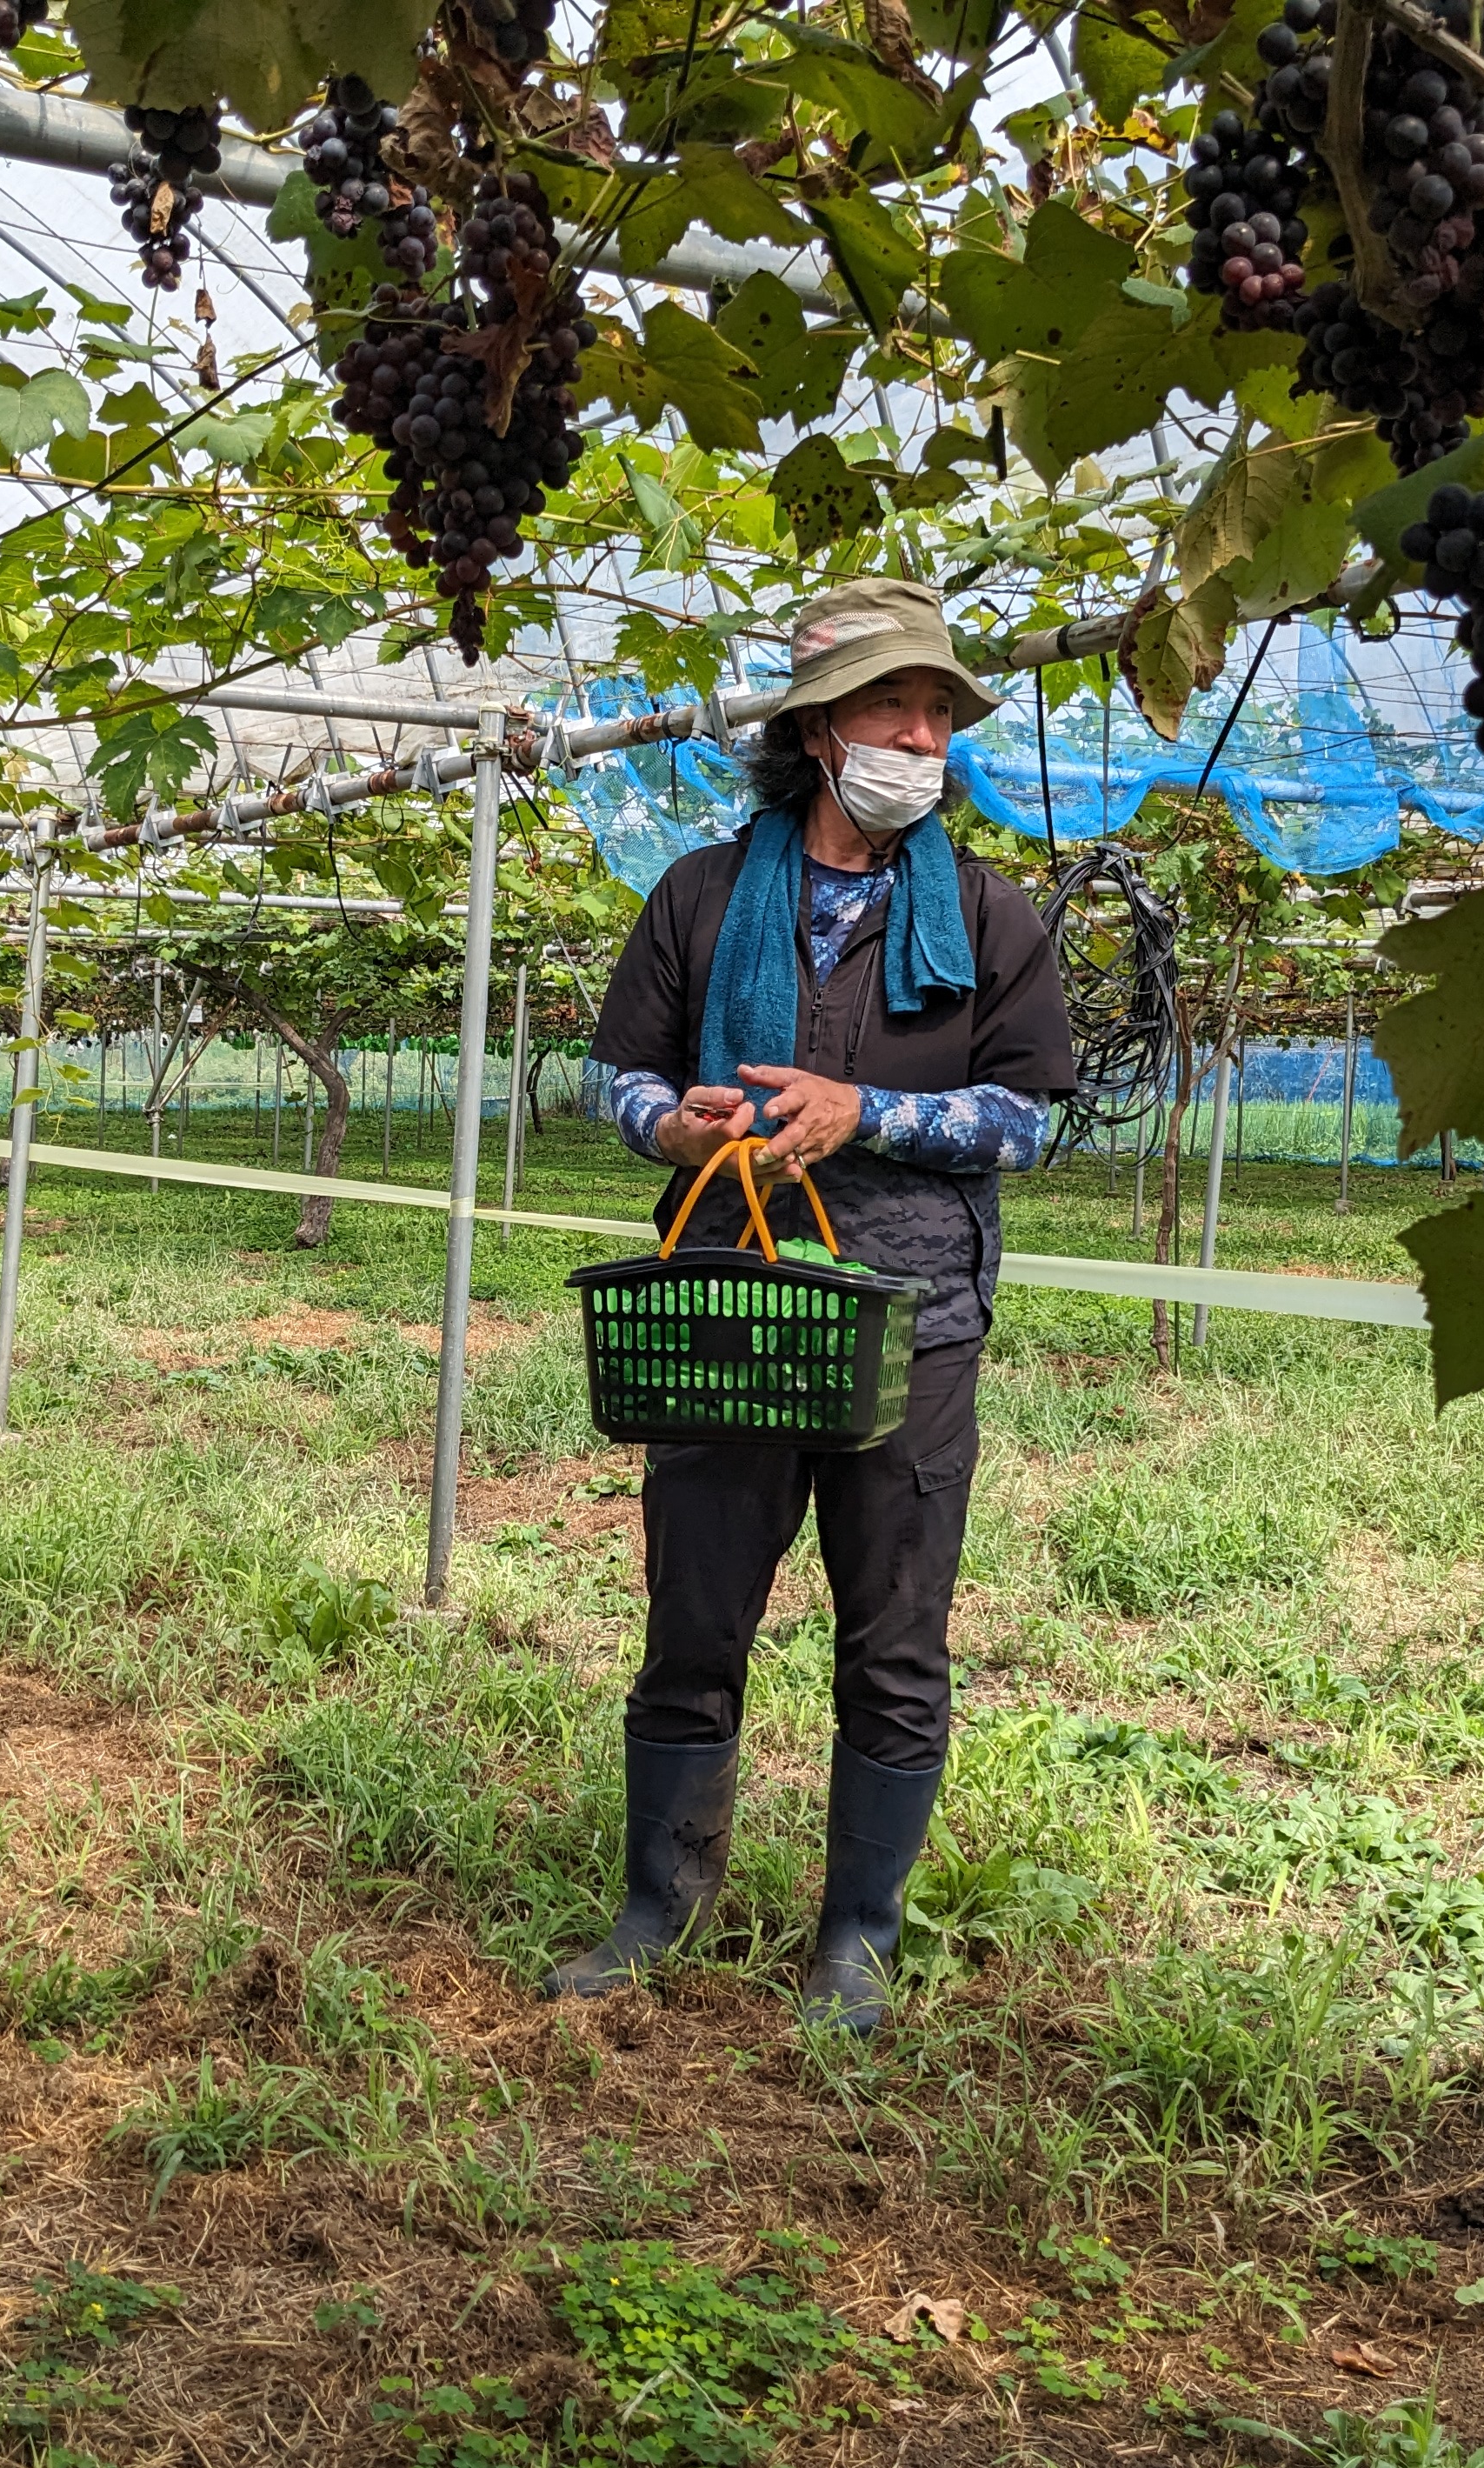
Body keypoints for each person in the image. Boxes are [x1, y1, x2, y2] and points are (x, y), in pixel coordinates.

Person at [556, 576, 1080, 2035]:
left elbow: (1031, 1119)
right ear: (815, 730)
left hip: (908, 1325)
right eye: (889, 708)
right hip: (729, 1306)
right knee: (693, 1618)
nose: (920, 738)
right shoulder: (701, 897)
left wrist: (871, 1111)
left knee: (896, 1638)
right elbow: (616, 1077)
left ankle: (857, 1936)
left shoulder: (983, 914)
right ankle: (657, 1905)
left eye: (937, 714)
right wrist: (672, 1127)